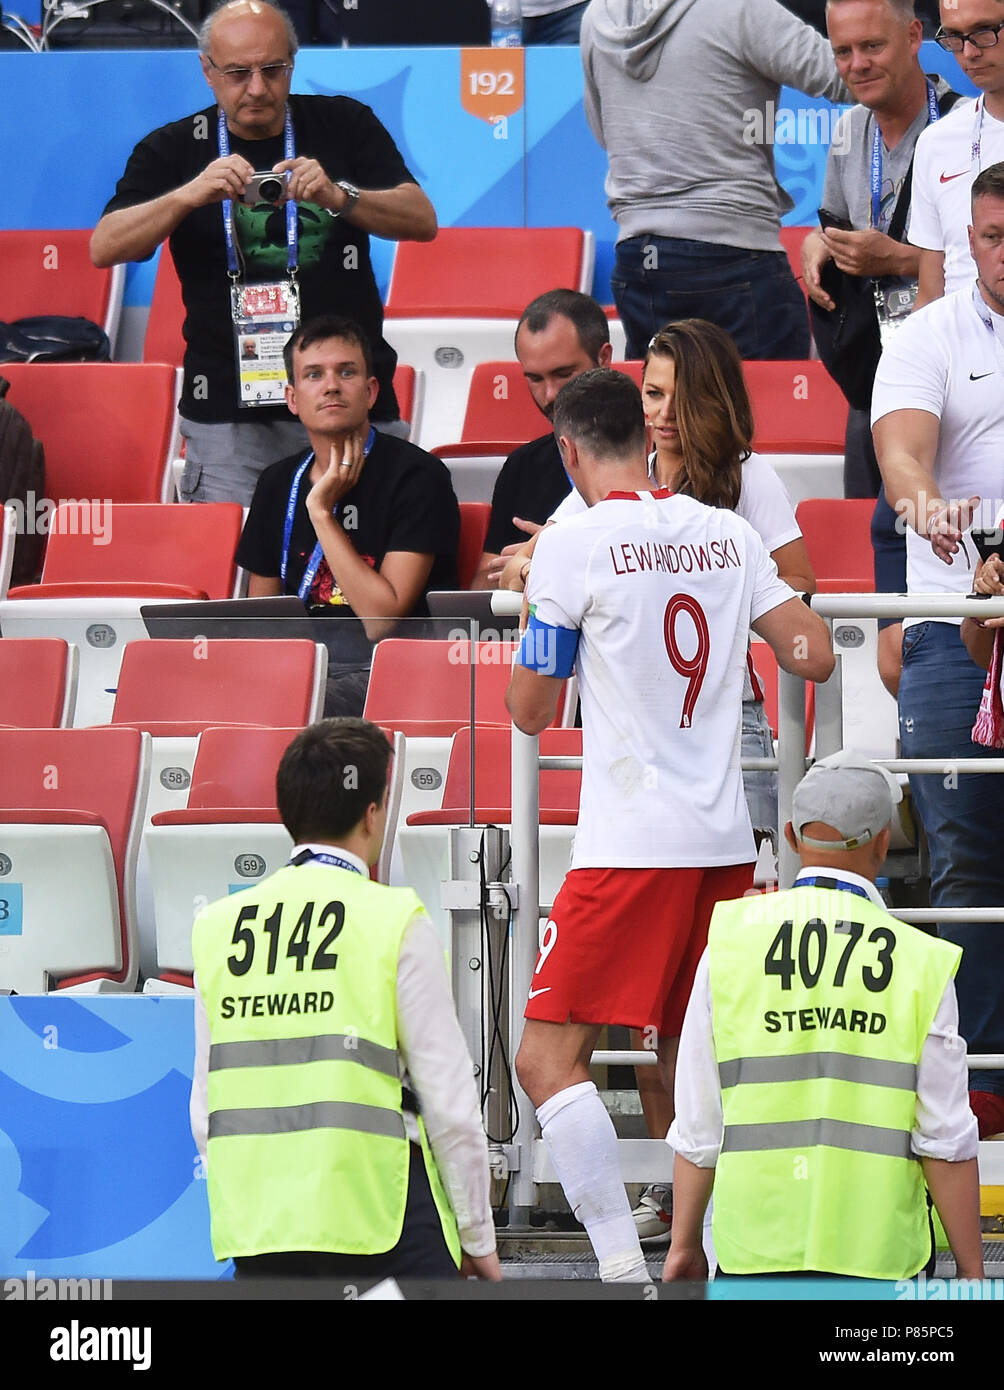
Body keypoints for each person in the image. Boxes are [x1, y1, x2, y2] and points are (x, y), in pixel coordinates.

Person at [507, 368, 834, 1282]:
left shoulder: (574, 543)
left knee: (544, 1059)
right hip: (726, 847)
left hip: (629, 849)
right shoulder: (727, 532)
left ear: (570, 450)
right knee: (696, 1065)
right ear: (643, 440)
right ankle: (721, 1253)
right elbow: (812, 655)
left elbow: (529, 708)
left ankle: (621, 1266)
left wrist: (544, 608)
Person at [190, 717, 501, 1281]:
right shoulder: (396, 920)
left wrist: (245, 1203)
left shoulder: (216, 927)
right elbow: (451, 1108)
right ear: (374, 811)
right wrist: (478, 1233)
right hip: (380, 1219)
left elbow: (205, 1105)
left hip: (263, 1224)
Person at [90, 0, 436, 506]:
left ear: (292, 64)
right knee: (240, 578)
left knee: (359, 568)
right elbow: (106, 246)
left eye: (272, 70)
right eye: (238, 72)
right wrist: (189, 194)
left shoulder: (343, 124)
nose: (257, 87)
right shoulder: (175, 148)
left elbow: (421, 220)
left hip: (347, 403)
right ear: (207, 71)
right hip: (229, 414)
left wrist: (340, 196)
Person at [663, 752, 982, 1283]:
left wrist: (683, 1244)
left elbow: (699, 1122)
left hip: (753, 1255)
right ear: (884, 843)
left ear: (790, 836)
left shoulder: (730, 943)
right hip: (881, 1263)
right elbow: (946, 1140)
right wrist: (973, 1272)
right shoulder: (921, 962)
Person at [872, 161, 1004, 1137]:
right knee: (962, 862)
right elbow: (901, 457)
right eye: (988, 236)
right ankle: (981, 1092)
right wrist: (926, 508)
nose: (1001, 254)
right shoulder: (925, 336)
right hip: (948, 615)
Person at [579, 0, 847, 361]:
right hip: (732, 250)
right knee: (772, 412)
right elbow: (850, 73)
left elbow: (603, 133)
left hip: (639, 259)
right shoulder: (739, 8)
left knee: (667, 413)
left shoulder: (597, 15)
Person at [236, 316, 459, 716]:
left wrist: (321, 513)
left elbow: (382, 621)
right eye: (314, 375)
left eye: (347, 372)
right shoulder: (277, 482)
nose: (331, 385)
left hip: (390, 668)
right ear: (292, 397)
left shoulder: (418, 476)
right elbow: (261, 623)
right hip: (300, 668)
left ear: (371, 391)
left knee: (280, 706)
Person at [801, 0, 960, 498]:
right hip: (874, 377)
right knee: (872, 545)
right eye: (842, 51)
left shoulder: (964, 130)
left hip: (958, 381)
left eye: (872, 46)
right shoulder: (849, 132)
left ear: (914, 37)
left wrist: (899, 258)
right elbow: (834, 226)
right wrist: (817, 244)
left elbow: (992, 260)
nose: (857, 64)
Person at [471, 290, 612, 590]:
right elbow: (481, 591)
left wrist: (557, 555)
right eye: (534, 378)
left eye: (563, 374)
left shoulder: (656, 451)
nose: (550, 395)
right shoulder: (522, 467)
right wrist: (518, 569)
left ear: (604, 358)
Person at [910, 0, 1004, 308]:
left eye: (983, 32)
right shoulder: (935, 142)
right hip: (961, 352)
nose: (968, 53)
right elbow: (931, 293)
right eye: (954, 37)